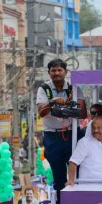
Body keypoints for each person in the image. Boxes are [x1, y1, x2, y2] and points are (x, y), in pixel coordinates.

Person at [37, 58, 87, 195]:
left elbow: (83, 114)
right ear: (49, 73)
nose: (57, 73)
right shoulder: (44, 88)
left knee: (77, 172)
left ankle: (78, 201)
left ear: (66, 72)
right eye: (53, 70)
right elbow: (41, 112)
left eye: (60, 70)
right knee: (58, 175)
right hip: (52, 136)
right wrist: (52, 103)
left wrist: (71, 105)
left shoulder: (74, 88)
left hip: (72, 134)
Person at [67, 116, 102, 186]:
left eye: (99, 128)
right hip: (88, 188)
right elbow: (73, 163)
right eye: (93, 127)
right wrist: (71, 180)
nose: (95, 130)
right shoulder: (84, 143)